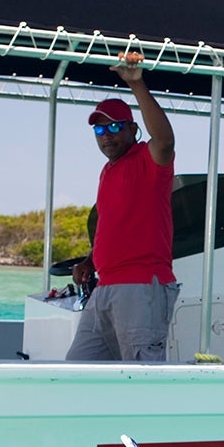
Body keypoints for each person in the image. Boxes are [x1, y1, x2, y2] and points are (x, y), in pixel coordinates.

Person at [66, 51, 178, 362]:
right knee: (78, 369)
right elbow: (109, 226)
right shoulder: (108, 172)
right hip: (105, 287)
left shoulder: (148, 159)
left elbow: (166, 140)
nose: (106, 136)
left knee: (143, 379)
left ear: (132, 129)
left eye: (115, 128)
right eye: (99, 130)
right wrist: (90, 261)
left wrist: (137, 84)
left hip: (142, 287)